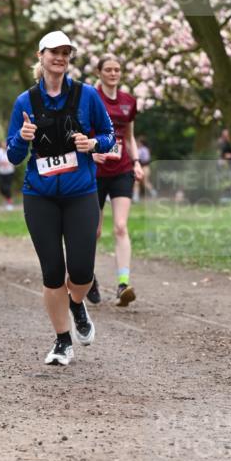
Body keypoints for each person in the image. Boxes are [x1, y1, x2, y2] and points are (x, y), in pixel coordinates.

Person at [6, 31, 114, 366]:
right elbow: (12, 155)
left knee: (81, 272)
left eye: (66, 53)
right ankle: (62, 340)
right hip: (39, 196)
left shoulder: (88, 95)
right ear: (40, 56)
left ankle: (77, 303)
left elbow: (109, 135)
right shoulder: (25, 102)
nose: (61, 58)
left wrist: (93, 144)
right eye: (54, 52)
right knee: (53, 272)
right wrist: (23, 140)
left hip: (81, 193)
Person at [86, 54, 143, 308]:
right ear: (99, 73)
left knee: (120, 226)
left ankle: (123, 284)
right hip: (95, 172)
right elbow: (81, 131)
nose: (113, 73)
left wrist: (137, 161)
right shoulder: (90, 98)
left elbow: (129, 136)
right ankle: (88, 277)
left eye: (117, 69)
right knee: (93, 231)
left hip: (122, 169)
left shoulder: (128, 102)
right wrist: (91, 151)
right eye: (108, 69)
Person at [0, 139, 15, 209]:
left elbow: (14, 160)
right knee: (1, 187)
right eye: (2, 143)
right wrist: (0, 163)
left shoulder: (10, 150)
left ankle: (9, 203)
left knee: (7, 187)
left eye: (4, 143)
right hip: (1, 171)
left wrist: (9, 163)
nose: (3, 144)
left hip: (9, 171)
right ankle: (6, 199)